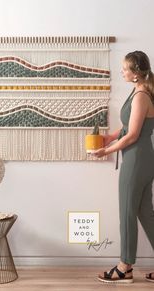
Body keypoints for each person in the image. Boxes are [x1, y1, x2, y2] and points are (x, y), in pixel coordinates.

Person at [94, 51, 154, 283]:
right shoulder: (140, 92)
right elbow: (127, 128)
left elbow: (132, 136)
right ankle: (126, 264)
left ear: (136, 73)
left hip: (137, 160)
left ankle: (124, 267)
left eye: (126, 68)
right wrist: (109, 138)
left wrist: (106, 152)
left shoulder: (141, 96)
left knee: (127, 213)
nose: (122, 71)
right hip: (143, 159)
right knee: (145, 214)